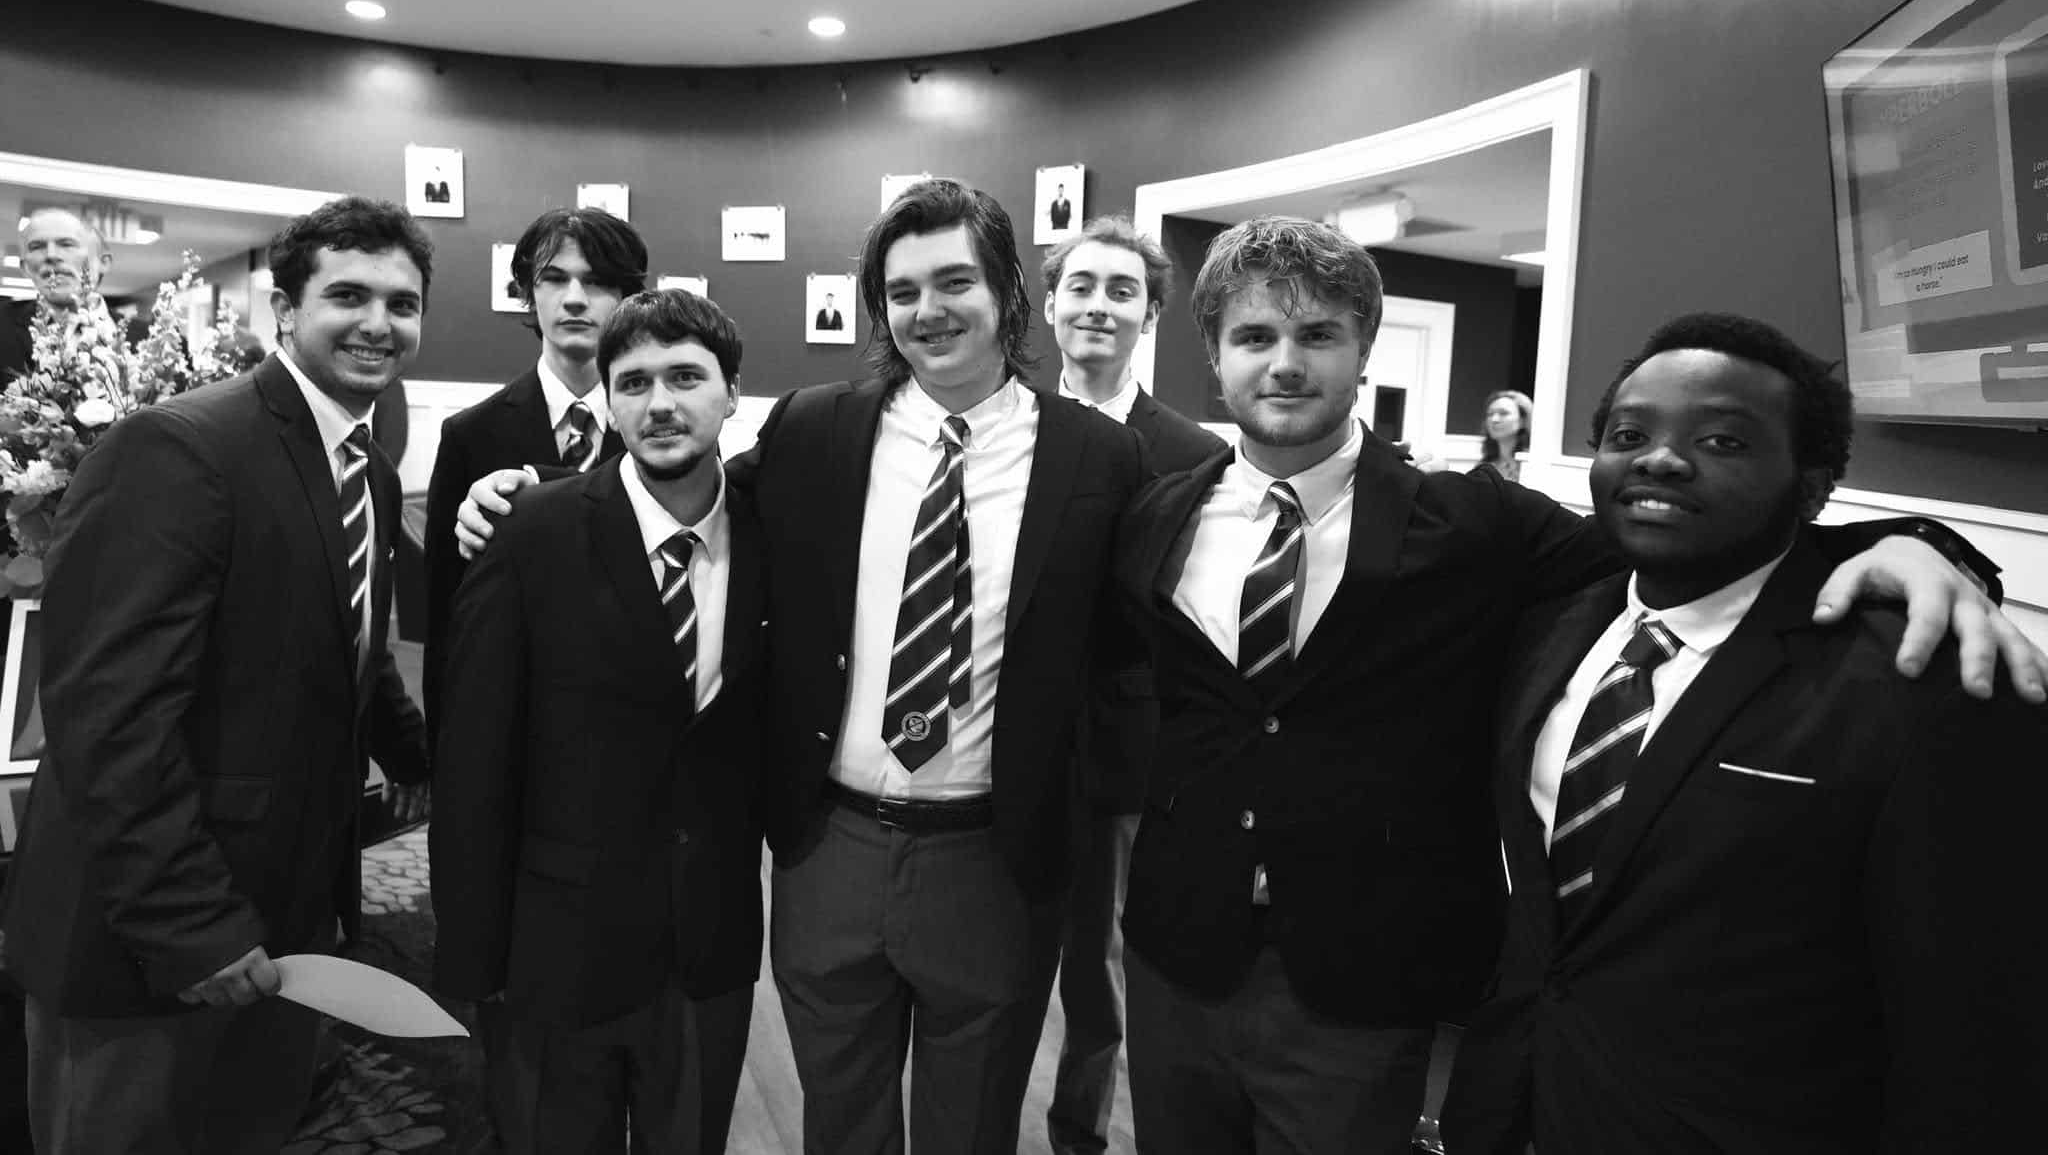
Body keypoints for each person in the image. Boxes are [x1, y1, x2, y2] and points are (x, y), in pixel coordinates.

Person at [1109, 216, 2042, 1154]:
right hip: (1176, 950)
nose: (1285, 365)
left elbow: (1680, 535)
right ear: (1214, 356)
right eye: (1256, 338)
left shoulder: (1475, 522)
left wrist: (1908, 545)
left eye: (1318, 336)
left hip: (1359, 979)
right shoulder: (1157, 516)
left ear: (1362, 351)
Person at [456, 178, 1147, 1155]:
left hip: (993, 857)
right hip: (832, 852)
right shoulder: (818, 427)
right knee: (841, 1119)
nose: (926, 308)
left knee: (974, 1126)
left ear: (1007, 293)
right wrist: (526, 495)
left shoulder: (1098, 458)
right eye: (901, 289)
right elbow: (680, 496)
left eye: (954, 280)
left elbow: (1127, 657)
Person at [1441, 313, 2047, 1152]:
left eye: (1723, 441)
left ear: (1813, 485)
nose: (1660, 458)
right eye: (1630, 433)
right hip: (1516, 1103)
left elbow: (1977, 1024)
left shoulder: (1922, 685)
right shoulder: (1551, 628)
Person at [0, 196, 434, 1154]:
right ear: (285, 310)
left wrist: (432, 756)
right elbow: (109, 716)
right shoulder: (180, 447)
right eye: (349, 295)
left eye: (402, 304)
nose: (378, 323)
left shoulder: (369, 469)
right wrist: (190, 922)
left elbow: (351, 647)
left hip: (284, 921)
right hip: (147, 944)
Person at [431, 289, 765, 1154]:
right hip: (554, 953)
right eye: (634, 382)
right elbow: (473, 760)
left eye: (686, 377)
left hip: (709, 946)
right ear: (608, 402)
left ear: (733, 392)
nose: (660, 404)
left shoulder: (778, 529)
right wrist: (473, 962)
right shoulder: (527, 530)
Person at [1039, 216, 1221, 1155]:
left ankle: (1086, 1134)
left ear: (1149, 314)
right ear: (1051, 306)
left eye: (1121, 291)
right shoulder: (1004, 425)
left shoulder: (1192, 454)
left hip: (1125, 752)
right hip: (1001, 742)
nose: (1098, 306)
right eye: (1082, 286)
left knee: (1103, 965)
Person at [423, 207, 641, 746]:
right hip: (508, 718)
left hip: (628, 717)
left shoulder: (659, 430)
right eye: (553, 278)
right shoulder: (469, 436)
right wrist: (444, 751)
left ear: (626, 296)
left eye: (595, 281)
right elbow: (444, 617)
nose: (574, 298)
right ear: (529, 290)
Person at [1, 207, 115, 378]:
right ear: (24, 268)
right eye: (37, 247)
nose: (51, 255)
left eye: (67, 244)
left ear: (103, 262)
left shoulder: (150, 339)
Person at [1476, 388, 1531, 482]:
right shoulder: (1484, 466)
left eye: (1503, 413)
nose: (1494, 419)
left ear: (1522, 420)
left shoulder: (1529, 464)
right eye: (1490, 414)